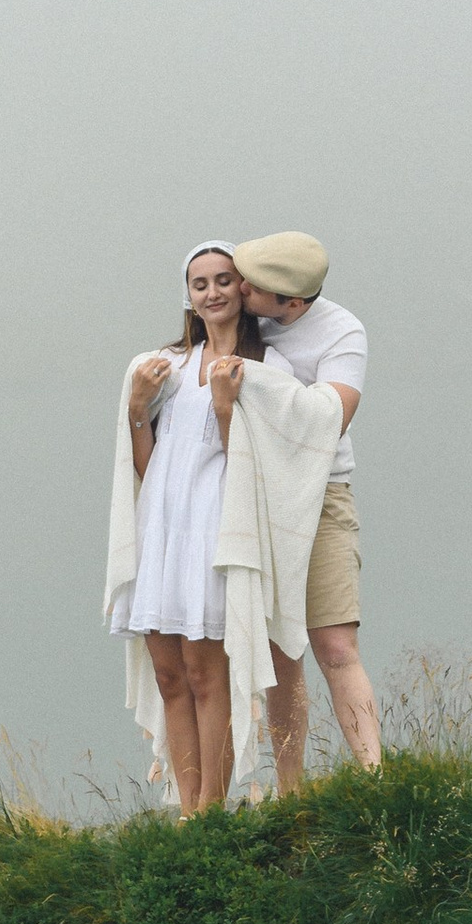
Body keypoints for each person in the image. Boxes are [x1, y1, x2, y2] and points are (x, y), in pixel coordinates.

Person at [104, 246, 345, 811]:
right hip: (163, 526)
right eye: (198, 283)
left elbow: (265, 475)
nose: (211, 293)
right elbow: (145, 466)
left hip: (216, 530)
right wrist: (139, 405)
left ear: (243, 289)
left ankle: (212, 808)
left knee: (206, 672)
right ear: (186, 295)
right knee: (169, 675)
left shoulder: (265, 371)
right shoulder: (161, 366)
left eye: (222, 281)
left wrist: (225, 409)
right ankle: (189, 809)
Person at [231, 231, 382, 786]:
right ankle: (290, 789)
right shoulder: (238, 317)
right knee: (278, 652)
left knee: (336, 645)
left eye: (255, 286)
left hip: (322, 498)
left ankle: (373, 780)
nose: (241, 288)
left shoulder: (342, 330)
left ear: (293, 303)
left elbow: (334, 415)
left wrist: (263, 379)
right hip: (256, 500)